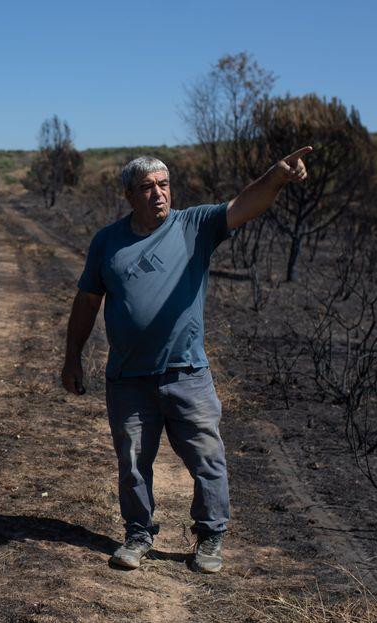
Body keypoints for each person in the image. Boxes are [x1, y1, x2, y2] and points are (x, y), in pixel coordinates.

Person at [61, 147, 311, 574]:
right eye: (147, 187)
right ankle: (138, 533)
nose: (158, 194)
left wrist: (275, 176)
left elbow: (244, 204)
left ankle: (210, 536)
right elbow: (87, 301)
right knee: (134, 462)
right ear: (128, 195)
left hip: (187, 372)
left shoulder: (194, 225)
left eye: (163, 185)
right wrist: (72, 358)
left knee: (207, 458)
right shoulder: (107, 242)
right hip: (128, 377)